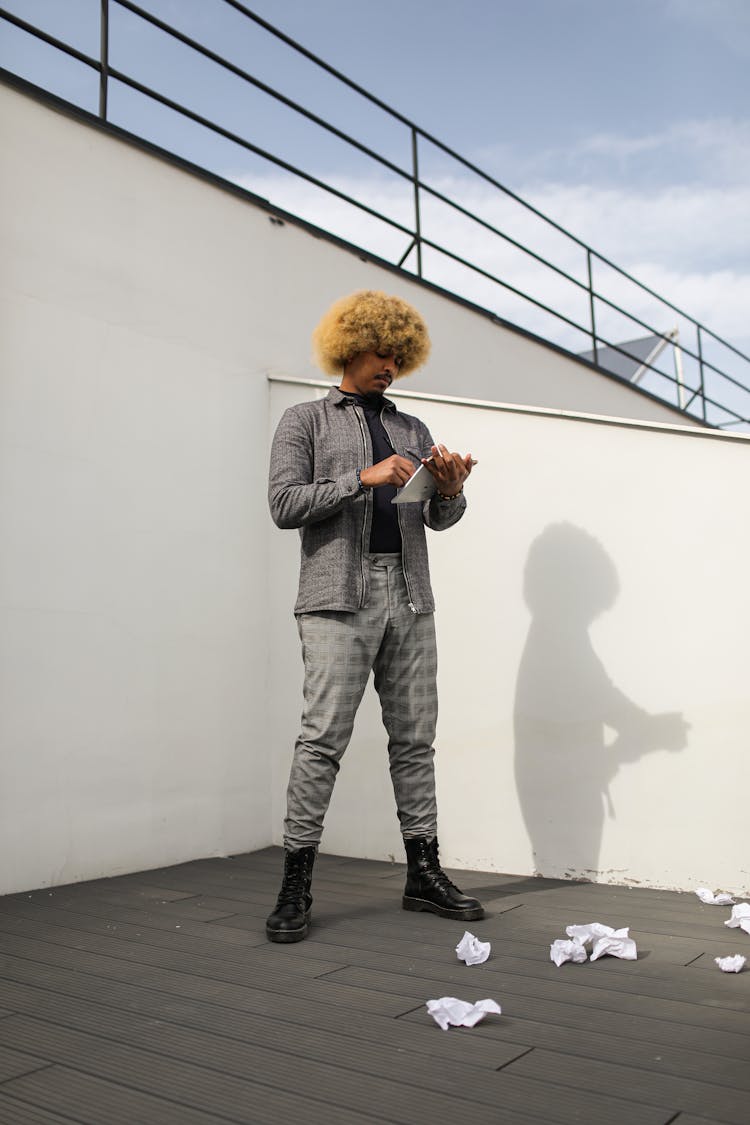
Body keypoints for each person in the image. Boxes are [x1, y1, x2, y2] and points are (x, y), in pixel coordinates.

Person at [266, 289, 483, 942]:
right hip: (336, 601)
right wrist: (362, 477)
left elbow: (438, 521)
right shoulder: (303, 420)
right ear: (349, 346)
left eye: (399, 354)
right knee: (321, 741)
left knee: (415, 740)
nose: (390, 363)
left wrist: (450, 488)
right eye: (380, 351)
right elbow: (283, 504)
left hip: (411, 599)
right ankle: (294, 883)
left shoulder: (414, 429)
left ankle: (424, 873)